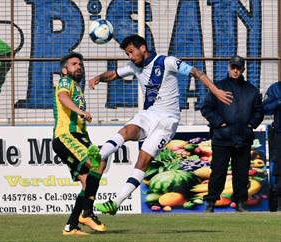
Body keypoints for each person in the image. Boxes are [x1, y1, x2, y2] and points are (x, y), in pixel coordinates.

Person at [88, 34, 233, 215]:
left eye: (131, 52)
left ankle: (116, 202)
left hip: (168, 120)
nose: (130, 57)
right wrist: (98, 78)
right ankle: (98, 156)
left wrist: (216, 91)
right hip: (149, 114)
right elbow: (114, 74)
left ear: (143, 48)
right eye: (127, 54)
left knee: (143, 161)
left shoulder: (167, 62)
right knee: (127, 130)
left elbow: (196, 72)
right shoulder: (134, 66)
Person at [52, 52, 107, 235]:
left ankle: (71, 226)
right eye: (74, 64)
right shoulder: (65, 82)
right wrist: (80, 112)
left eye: (80, 64)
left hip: (77, 136)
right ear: (65, 70)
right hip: (67, 135)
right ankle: (88, 213)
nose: (79, 66)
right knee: (98, 161)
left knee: (86, 183)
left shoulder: (76, 86)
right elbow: (63, 97)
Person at [200, 55, 264, 212]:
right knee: (218, 172)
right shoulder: (218, 87)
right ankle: (211, 203)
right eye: (233, 67)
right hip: (222, 138)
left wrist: (251, 124)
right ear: (228, 68)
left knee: (241, 173)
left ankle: (240, 203)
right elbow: (206, 108)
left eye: (238, 68)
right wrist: (219, 123)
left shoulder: (252, 90)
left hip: (243, 137)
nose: (235, 70)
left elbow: (259, 111)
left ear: (243, 69)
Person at [262, 81, 281, 211]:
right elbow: (264, 109)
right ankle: (278, 205)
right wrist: (279, 102)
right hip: (279, 134)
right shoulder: (275, 88)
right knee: (277, 171)